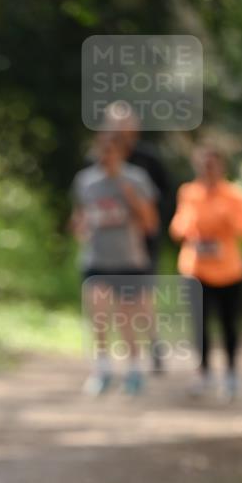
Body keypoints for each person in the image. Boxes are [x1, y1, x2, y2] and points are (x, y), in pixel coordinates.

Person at [71, 130, 159, 396]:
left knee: (126, 317)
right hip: (96, 258)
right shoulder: (85, 181)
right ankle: (102, 370)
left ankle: (133, 369)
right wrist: (80, 228)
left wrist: (130, 196)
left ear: (121, 152)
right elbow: (79, 216)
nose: (105, 156)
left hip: (128, 260)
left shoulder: (136, 178)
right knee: (97, 314)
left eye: (111, 151)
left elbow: (150, 223)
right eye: (102, 150)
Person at [170, 144, 242, 401]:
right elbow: (177, 229)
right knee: (198, 325)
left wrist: (227, 216)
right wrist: (190, 224)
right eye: (203, 164)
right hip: (195, 268)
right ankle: (202, 373)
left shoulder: (235, 195)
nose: (207, 169)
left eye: (212, 164)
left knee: (228, 323)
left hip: (229, 270)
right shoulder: (188, 192)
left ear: (221, 166)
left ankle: (230, 373)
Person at [104, 102, 174, 373]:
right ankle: (125, 351)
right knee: (112, 297)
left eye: (126, 123)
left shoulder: (148, 159)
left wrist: (149, 221)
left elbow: (165, 196)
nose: (121, 129)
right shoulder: (100, 156)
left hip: (143, 239)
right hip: (109, 242)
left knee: (142, 295)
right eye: (115, 123)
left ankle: (154, 345)